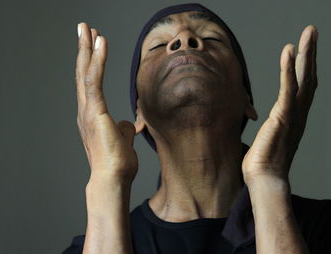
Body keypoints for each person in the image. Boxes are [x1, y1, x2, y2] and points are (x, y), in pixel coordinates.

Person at [63, 3, 331, 254]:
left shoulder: (319, 227)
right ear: (139, 112)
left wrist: (269, 181)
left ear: (247, 100)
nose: (184, 38)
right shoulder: (94, 243)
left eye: (212, 39)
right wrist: (106, 183)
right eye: (158, 45)